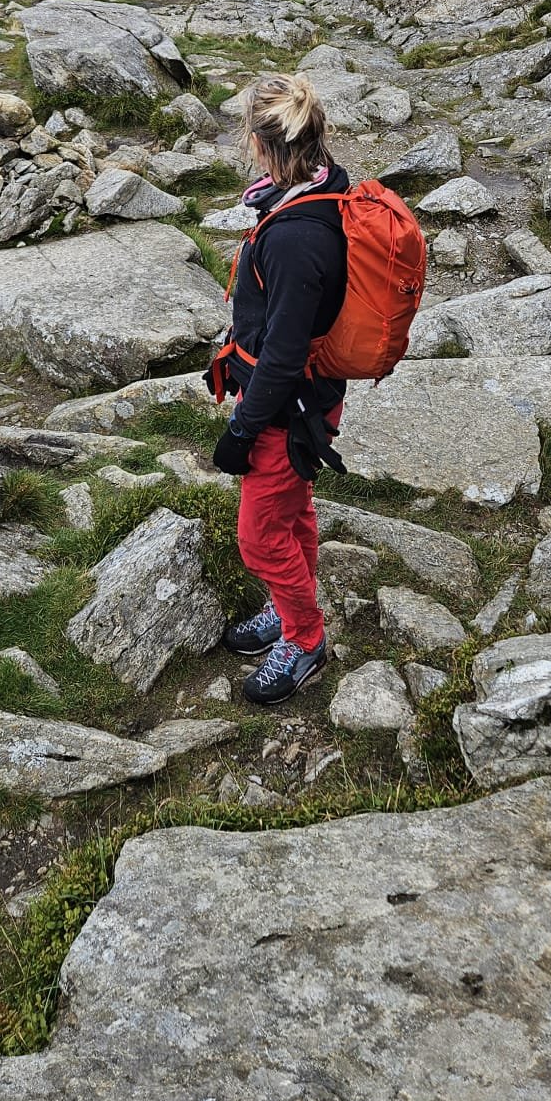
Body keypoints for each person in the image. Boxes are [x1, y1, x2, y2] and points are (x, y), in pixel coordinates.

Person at [210, 73, 349, 705]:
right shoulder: (313, 192)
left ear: (261, 145)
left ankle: (304, 637)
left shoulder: (296, 237)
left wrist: (242, 430)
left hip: (286, 411)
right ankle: (289, 604)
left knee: (260, 535)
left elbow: (286, 356)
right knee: (292, 511)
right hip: (300, 401)